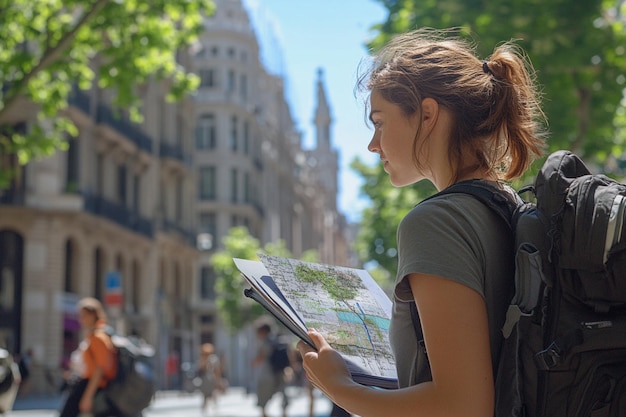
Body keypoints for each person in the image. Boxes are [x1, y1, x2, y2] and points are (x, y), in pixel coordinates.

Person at [296, 27, 547, 417]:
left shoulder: (435, 221)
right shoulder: (506, 203)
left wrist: (339, 387)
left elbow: (463, 404)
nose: (372, 144)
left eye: (379, 121)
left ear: (427, 114)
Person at [59, 297, 118, 417]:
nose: (81, 319)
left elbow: (100, 369)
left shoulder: (98, 338)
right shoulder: (94, 336)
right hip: (91, 384)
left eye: (84, 315)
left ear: (93, 315)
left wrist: (88, 396)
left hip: (94, 385)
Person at [252, 322, 288, 417]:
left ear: (263, 331)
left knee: (263, 402)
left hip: (267, 376)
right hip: (279, 373)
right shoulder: (278, 340)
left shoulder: (265, 342)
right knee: (282, 397)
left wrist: (253, 363)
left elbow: (260, 358)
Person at [196, 343, 223, 414]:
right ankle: (206, 409)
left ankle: (214, 409)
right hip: (205, 380)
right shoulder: (202, 359)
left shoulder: (214, 359)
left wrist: (218, 381)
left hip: (211, 380)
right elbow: (200, 369)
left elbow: (217, 371)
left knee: (212, 394)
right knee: (206, 396)